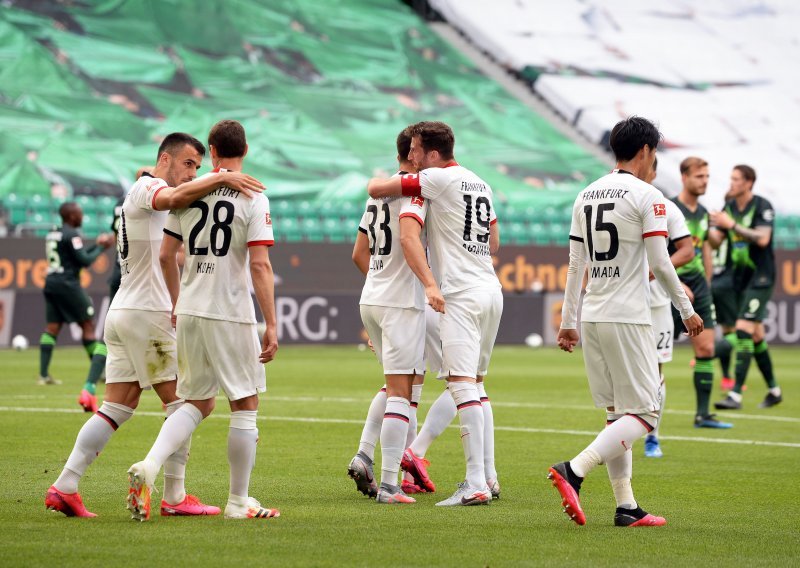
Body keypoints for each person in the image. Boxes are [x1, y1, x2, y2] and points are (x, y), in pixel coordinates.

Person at [44, 132, 264, 518]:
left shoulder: (147, 182)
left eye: (198, 165)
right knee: (190, 403)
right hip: (148, 312)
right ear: (165, 159)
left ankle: (65, 485)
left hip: (125, 309)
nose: (192, 173)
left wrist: (201, 178)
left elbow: (175, 203)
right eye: (188, 164)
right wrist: (222, 176)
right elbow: (174, 198)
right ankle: (174, 496)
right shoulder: (149, 187)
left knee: (117, 405)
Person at [550, 116, 702, 527]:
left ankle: (626, 506)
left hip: (595, 315)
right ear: (647, 151)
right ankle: (574, 469)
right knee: (647, 413)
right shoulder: (648, 196)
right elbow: (660, 262)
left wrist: (569, 321)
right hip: (629, 317)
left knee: (619, 415)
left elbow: (574, 265)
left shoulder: (586, 195)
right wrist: (686, 311)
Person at [127, 120, 280, 521]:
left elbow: (165, 256)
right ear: (244, 149)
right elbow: (260, 265)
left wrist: (178, 303)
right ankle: (237, 502)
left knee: (195, 402)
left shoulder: (186, 195)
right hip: (230, 311)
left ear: (212, 150)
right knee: (245, 404)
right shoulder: (254, 195)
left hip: (191, 309)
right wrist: (273, 324)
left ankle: (150, 465)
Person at [368, 120, 502, 507]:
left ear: (431, 152)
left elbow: (377, 189)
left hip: (459, 293)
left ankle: (474, 480)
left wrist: (432, 281)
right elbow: (494, 239)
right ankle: (488, 476)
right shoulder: (481, 182)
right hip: (490, 289)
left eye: (415, 150)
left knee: (461, 386)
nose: (411, 157)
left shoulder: (437, 180)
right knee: (475, 385)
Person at [347, 127, 427, 504]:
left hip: (373, 299)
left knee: (397, 384)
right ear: (413, 155)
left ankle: (365, 453)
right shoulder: (414, 192)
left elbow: (358, 254)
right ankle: (392, 485)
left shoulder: (377, 198)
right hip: (400, 302)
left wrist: (380, 280)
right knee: (403, 392)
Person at [712, 165, 782, 410]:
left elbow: (762, 239)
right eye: (731, 179)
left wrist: (731, 225)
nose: (732, 183)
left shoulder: (763, 206)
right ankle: (774, 390)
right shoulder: (729, 207)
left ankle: (735, 396)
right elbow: (716, 240)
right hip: (739, 279)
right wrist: (704, 226)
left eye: (737, 180)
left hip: (761, 278)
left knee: (742, 330)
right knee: (756, 335)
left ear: (749, 182)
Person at [669, 157, 732, 429]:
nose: (704, 181)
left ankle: (703, 414)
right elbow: (658, 249)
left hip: (698, 284)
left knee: (706, 347)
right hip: (671, 282)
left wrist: (705, 282)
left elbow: (706, 247)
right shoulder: (669, 208)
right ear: (684, 177)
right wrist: (673, 283)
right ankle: (639, 416)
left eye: (707, 176)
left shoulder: (704, 213)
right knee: (654, 352)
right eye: (699, 176)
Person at [39, 202, 113, 413]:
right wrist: (101, 247)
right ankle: (98, 373)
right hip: (68, 284)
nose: (82, 216)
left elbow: (75, 259)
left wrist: (94, 247)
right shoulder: (72, 234)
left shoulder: (54, 232)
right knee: (88, 324)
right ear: (71, 215)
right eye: (79, 213)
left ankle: (43, 375)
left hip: (51, 282)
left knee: (52, 327)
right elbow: (84, 260)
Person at [643, 157, 695, 458]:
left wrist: (659, 269)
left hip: (658, 301)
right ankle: (615, 432)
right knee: (619, 375)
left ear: (652, 170)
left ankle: (653, 437)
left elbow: (687, 249)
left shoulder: (665, 206)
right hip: (623, 300)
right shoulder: (619, 201)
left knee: (656, 370)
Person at [709, 189, 738, 390]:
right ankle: (710, 354)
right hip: (728, 280)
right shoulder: (733, 223)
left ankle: (727, 377)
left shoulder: (715, 223)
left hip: (714, 281)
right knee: (742, 332)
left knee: (726, 330)